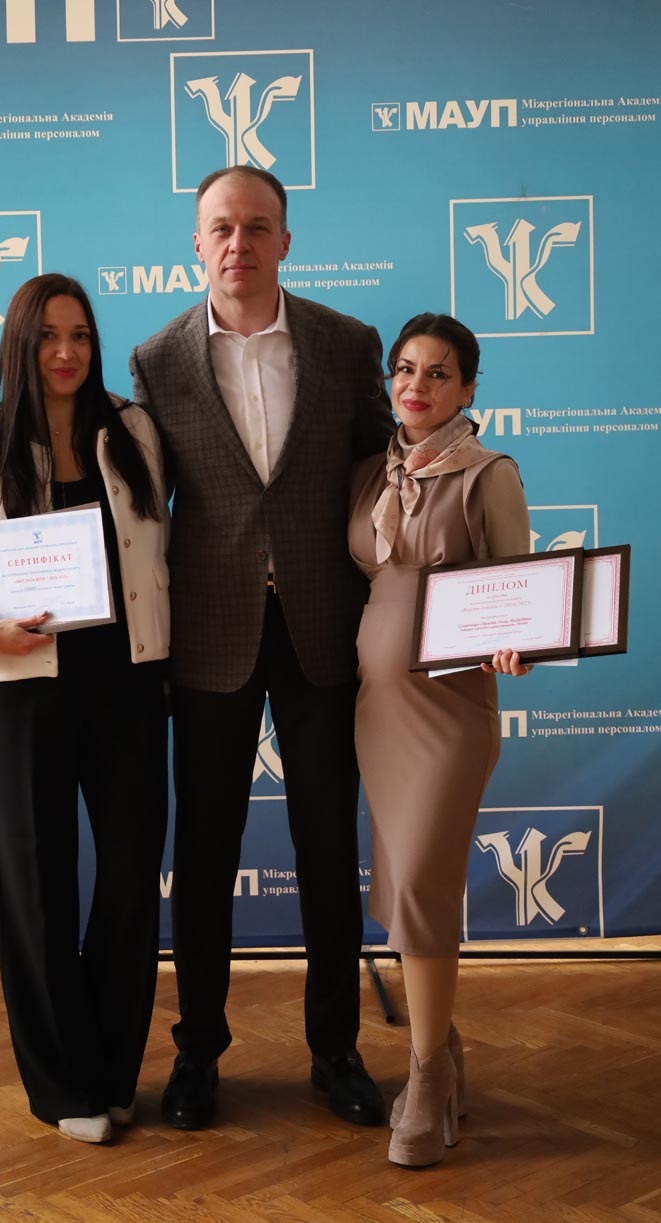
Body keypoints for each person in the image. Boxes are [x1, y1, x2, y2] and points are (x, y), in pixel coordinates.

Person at [130, 164, 395, 1131]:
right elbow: (139, 505)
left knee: (327, 846)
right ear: (195, 245)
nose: (237, 244)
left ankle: (336, 1051)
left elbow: (384, 473)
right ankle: (197, 1052)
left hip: (325, 630)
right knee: (205, 854)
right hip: (209, 636)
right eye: (220, 228)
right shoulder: (156, 361)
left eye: (256, 226)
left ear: (285, 239)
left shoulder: (346, 344)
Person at [0, 274, 170, 1144]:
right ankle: (64, 1085)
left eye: (80, 335)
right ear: (20, 346)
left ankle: (114, 1070)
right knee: (36, 883)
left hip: (128, 682)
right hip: (25, 686)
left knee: (130, 876)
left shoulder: (132, 430)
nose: (66, 352)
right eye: (49, 336)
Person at [348, 312, 531, 1167]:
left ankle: (424, 1077)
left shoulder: (488, 473)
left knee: (422, 883)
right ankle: (440, 1049)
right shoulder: (370, 472)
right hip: (377, 713)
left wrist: (517, 643)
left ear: (466, 389)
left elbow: (516, 591)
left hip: (450, 713)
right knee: (401, 890)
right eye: (404, 370)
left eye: (437, 373)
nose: (415, 386)